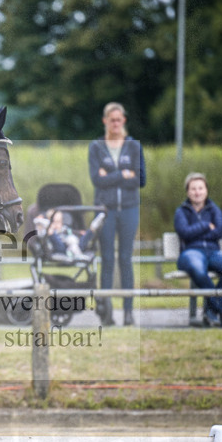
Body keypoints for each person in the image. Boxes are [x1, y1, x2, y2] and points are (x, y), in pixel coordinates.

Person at [88, 102, 145, 326]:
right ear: (105, 121)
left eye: (119, 119)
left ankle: (129, 311)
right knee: (108, 260)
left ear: (124, 121)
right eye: (111, 120)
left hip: (129, 209)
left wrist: (111, 174)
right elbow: (96, 180)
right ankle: (107, 311)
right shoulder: (96, 147)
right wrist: (123, 174)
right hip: (106, 210)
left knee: (126, 259)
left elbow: (140, 180)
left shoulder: (133, 147)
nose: (115, 123)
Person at [173, 172, 222, 327]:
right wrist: (205, 225)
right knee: (198, 268)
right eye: (193, 189)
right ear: (187, 192)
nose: (197, 192)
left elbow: (220, 231)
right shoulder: (181, 211)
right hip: (190, 253)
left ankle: (211, 309)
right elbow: (184, 233)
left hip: (213, 252)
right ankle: (221, 307)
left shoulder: (214, 209)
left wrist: (197, 231)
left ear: (206, 190)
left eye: (200, 188)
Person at [31, 209, 104, 261]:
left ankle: (92, 228)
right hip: (59, 249)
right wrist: (46, 229)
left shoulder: (64, 229)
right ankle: (78, 254)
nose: (56, 225)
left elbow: (72, 232)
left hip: (74, 245)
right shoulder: (48, 233)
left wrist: (79, 233)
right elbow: (40, 234)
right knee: (58, 242)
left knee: (81, 241)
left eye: (59, 222)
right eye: (54, 222)